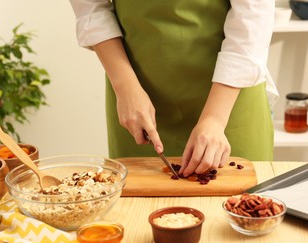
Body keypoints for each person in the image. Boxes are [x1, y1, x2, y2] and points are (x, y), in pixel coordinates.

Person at [69, 0, 278, 177]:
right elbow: (91, 8)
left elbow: (253, 20)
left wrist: (214, 119)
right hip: (135, 89)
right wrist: (125, 87)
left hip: (229, 97)